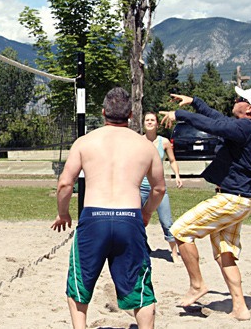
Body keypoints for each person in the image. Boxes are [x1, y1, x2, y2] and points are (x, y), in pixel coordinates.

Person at [52, 87, 166, 329]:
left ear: (103, 112)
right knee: (141, 289)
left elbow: (64, 184)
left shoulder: (85, 142)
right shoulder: (146, 146)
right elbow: (159, 189)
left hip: (94, 218)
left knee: (79, 286)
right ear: (131, 115)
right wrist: (145, 212)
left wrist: (63, 213)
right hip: (129, 217)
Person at [160, 86, 251, 321]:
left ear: (249, 108)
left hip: (230, 199)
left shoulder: (245, 127)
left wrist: (181, 115)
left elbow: (214, 126)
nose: (235, 99)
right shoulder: (248, 127)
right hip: (240, 200)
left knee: (179, 230)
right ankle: (240, 308)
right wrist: (194, 101)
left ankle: (197, 285)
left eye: (240, 98)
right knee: (224, 253)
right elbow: (218, 119)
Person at [141, 112, 182, 262]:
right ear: (143, 123)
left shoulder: (164, 142)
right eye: (147, 120)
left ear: (157, 124)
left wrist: (177, 175)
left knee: (166, 221)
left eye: (152, 120)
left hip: (159, 188)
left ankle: (174, 253)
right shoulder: (138, 141)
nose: (150, 122)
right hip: (141, 187)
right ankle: (142, 247)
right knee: (137, 220)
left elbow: (172, 160)